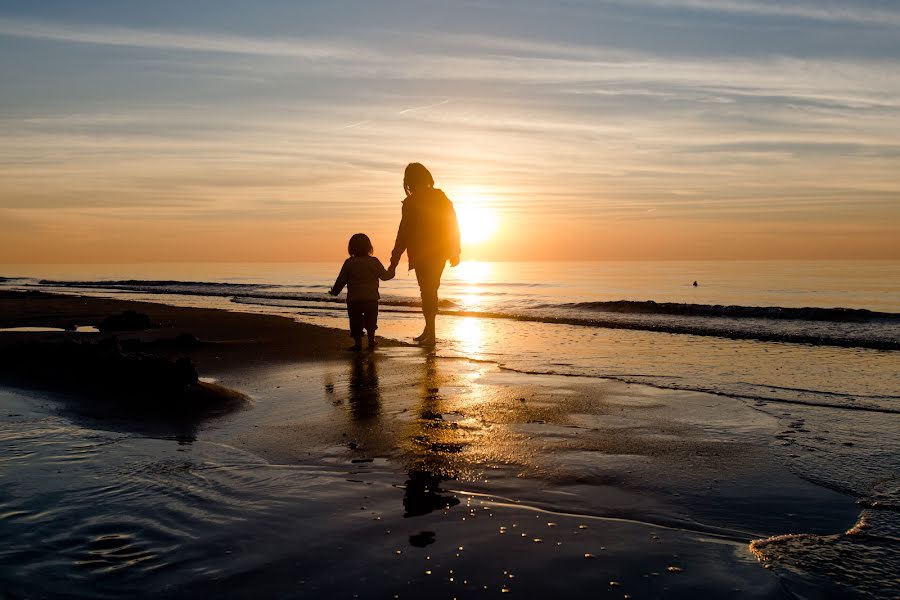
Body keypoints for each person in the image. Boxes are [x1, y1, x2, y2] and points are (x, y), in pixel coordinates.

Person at [388, 163, 461, 346]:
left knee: (427, 291)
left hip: (422, 254)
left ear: (409, 181)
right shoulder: (442, 198)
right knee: (430, 290)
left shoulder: (412, 202)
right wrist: (455, 251)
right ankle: (430, 331)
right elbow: (453, 225)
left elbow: (403, 233)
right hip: (439, 253)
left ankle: (431, 333)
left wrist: (394, 261)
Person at [330, 233, 394, 351]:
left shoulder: (349, 263)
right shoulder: (374, 262)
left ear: (351, 248)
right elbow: (385, 276)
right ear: (369, 247)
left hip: (354, 300)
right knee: (371, 322)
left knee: (355, 322)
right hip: (371, 299)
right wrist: (392, 269)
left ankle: (358, 343)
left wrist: (334, 291)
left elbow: (341, 280)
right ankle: (371, 341)